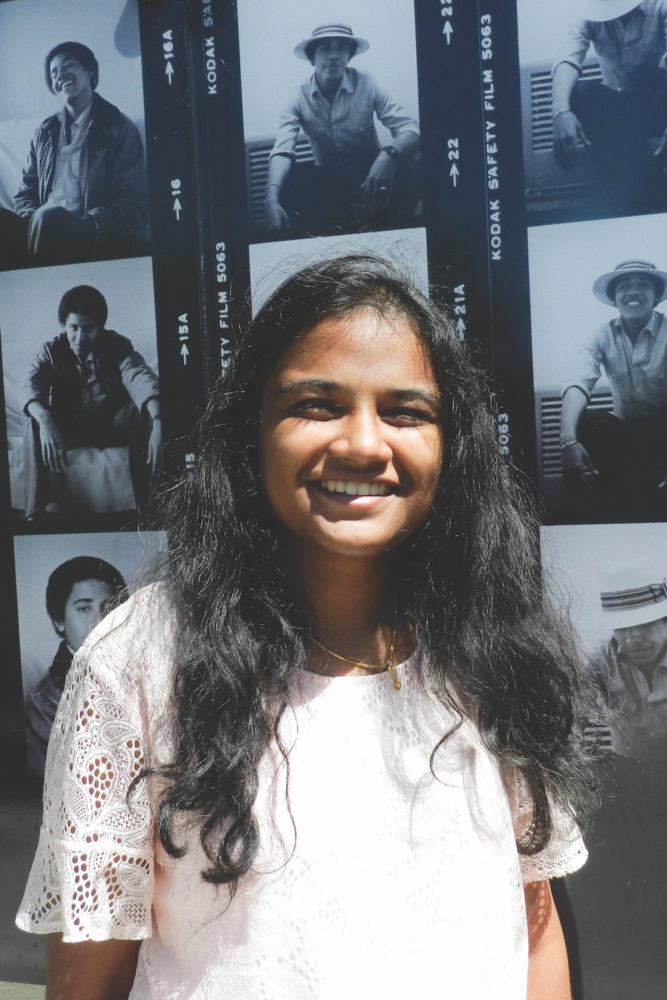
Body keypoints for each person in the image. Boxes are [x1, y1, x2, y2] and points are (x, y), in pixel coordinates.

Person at [17, 256, 593, 998]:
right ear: (248, 434)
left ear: (453, 447)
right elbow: (90, 977)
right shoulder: (142, 658)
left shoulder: (493, 642)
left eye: (405, 411)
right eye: (316, 405)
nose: (361, 443)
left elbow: (531, 920)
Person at [0, 41, 148, 267]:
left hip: (87, 232)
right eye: (54, 72)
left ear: (90, 70)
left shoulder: (120, 128)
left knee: (49, 218)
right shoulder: (44, 132)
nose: (61, 75)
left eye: (69, 65)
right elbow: (24, 194)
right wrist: (32, 217)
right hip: (39, 226)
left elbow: (133, 204)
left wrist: (87, 223)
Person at [264, 24, 420, 235]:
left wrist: (388, 155)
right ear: (312, 58)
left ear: (349, 56)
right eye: (325, 48)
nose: (334, 55)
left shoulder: (368, 82)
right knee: (287, 181)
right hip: (327, 180)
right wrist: (271, 198)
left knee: (419, 158)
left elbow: (411, 128)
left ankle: (400, 229)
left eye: (341, 48)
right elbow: (282, 150)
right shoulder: (296, 96)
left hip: (371, 170)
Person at [23, 283, 161, 519]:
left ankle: (151, 506)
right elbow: (31, 384)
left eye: (88, 328)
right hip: (70, 429)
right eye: (73, 328)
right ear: (64, 325)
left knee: (147, 411)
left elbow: (139, 376)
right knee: (34, 420)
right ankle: (35, 511)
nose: (79, 337)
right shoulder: (50, 351)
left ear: (101, 327)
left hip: (113, 425)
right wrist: (44, 417)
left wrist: (158, 420)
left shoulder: (119, 346)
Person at [560, 259, 667, 516]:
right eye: (624, 286)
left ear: (655, 297)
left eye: (643, 285)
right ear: (614, 297)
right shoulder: (601, 334)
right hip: (628, 439)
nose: (633, 291)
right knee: (588, 421)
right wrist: (568, 442)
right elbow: (578, 382)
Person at [551, 0, 667, 211]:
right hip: (622, 111)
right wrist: (560, 111)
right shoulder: (589, 12)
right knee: (579, 94)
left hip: (660, 104)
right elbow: (568, 57)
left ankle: (643, 190)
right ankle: (628, 186)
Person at [24, 556, 127, 778]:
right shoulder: (44, 700)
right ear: (59, 620)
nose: (99, 621)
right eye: (84, 609)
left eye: (109, 607)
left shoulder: (144, 675)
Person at [591, 561, 667, 760]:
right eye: (622, 627)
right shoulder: (599, 660)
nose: (632, 639)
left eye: (644, 624)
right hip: (628, 772)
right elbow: (576, 713)